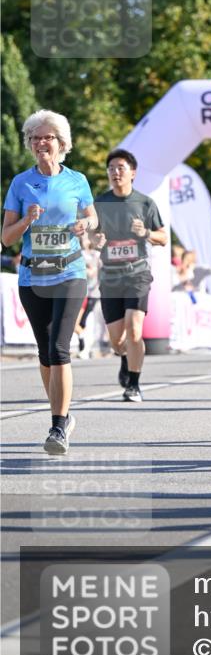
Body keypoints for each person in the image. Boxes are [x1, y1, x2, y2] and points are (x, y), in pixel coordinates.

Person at [2, 110, 97, 454]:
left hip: (70, 272)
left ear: (61, 143)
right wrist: (27, 220)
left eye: (48, 137)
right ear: (30, 144)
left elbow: (91, 214)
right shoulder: (20, 184)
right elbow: (6, 238)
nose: (42, 143)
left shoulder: (77, 180)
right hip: (32, 276)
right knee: (45, 353)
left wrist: (86, 225)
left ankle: (58, 426)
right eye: (35, 138)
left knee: (59, 347)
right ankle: (62, 415)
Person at [90, 149, 166, 401]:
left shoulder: (145, 203)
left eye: (120, 167)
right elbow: (91, 236)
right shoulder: (100, 203)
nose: (115, 172)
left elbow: (163, 237)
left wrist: (145, 232)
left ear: (132, 173)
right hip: (110, 278)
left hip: (137, 275)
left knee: (134, 331)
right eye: (111, 168)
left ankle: (134, 384)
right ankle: (124, 357)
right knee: (116, 340)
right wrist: (95, 239)